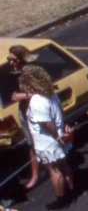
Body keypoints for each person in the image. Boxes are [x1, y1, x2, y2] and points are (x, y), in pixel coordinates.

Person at [18, 64, 75, 202]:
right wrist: (63, 127)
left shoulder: (37, 100)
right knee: (63, 166)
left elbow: (47, 123)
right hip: (58, 137)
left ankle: (62, 199)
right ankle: (72, 191)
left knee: (54, 170)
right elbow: (60, 112)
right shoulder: (51, 94)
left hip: (48, 141)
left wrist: (57, 136)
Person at [7, 44, 39, 188]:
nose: (10, 62)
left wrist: (26, 95)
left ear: (21, 59)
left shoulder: (29, 73)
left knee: (44, 140)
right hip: (25, 111)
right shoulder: (13, 74)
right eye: (9, 59)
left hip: (36, 110)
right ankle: (36, 174)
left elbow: (39, 90)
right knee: (31, 143)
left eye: (13, 59)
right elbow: (12, 95)